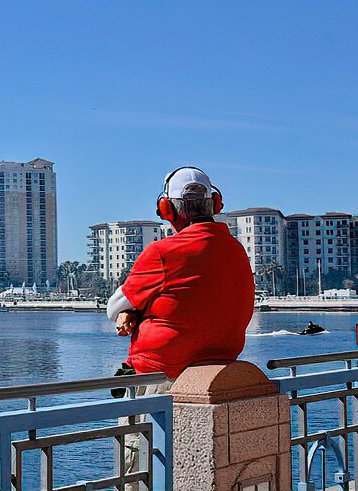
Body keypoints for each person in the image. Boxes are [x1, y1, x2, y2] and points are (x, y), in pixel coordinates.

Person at [105, 167, 255, 487]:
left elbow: (113, 307)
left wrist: (133, 310)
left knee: (140, 469)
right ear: (215, 204)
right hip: (216, 375)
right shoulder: (236, 251)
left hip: (159, 381)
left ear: (167, 210)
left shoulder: (164, 252)